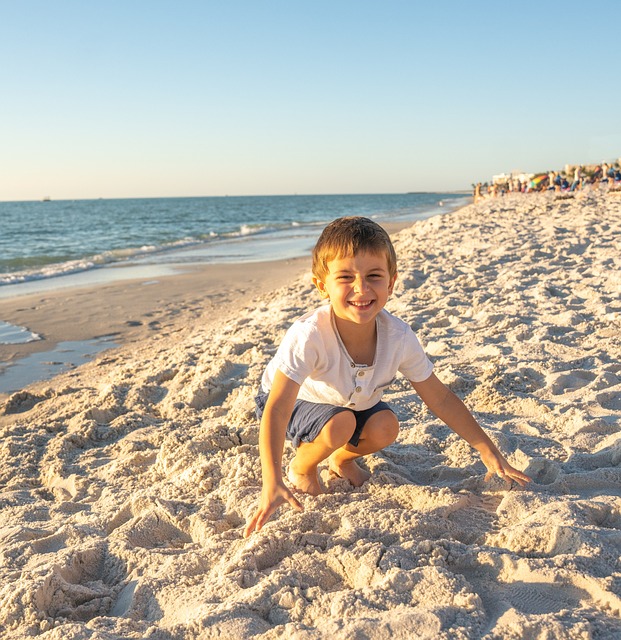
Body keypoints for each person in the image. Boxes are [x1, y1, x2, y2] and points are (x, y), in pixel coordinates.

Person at [243, 217, 531, 537]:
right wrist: (272, 480)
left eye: (374, 276)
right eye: (345, 277)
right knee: (342, 424)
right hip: (295, 401)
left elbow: (440, 397)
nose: (361, 289)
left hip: (347, 401)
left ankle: (340, 458)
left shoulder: (398, 336)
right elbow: (278, 406)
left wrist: (486, 449)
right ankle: (303, 466)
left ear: (391, 283)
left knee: (385, 426)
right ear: (322, 284)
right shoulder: (310, 336)